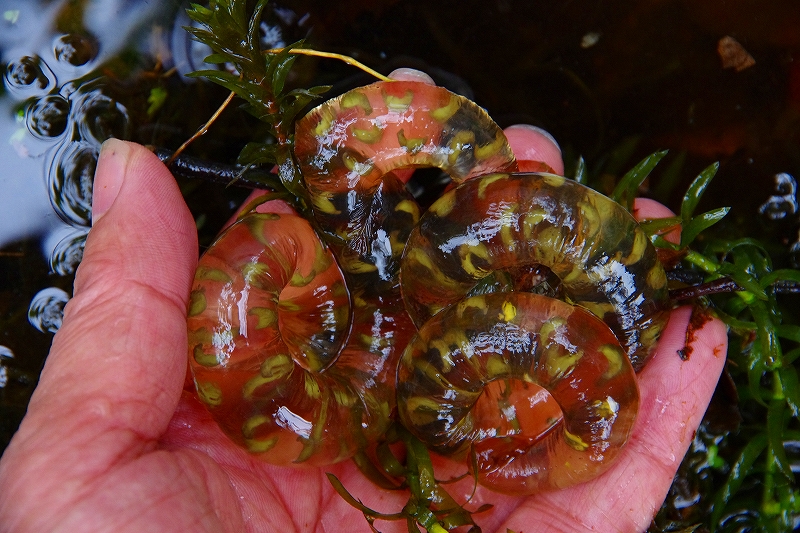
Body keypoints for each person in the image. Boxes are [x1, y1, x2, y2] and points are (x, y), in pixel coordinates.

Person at [0, 72, 727, 532]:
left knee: (352, 168)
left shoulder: (403, 320)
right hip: (387, 328)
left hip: (409, 315)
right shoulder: (378, 340)